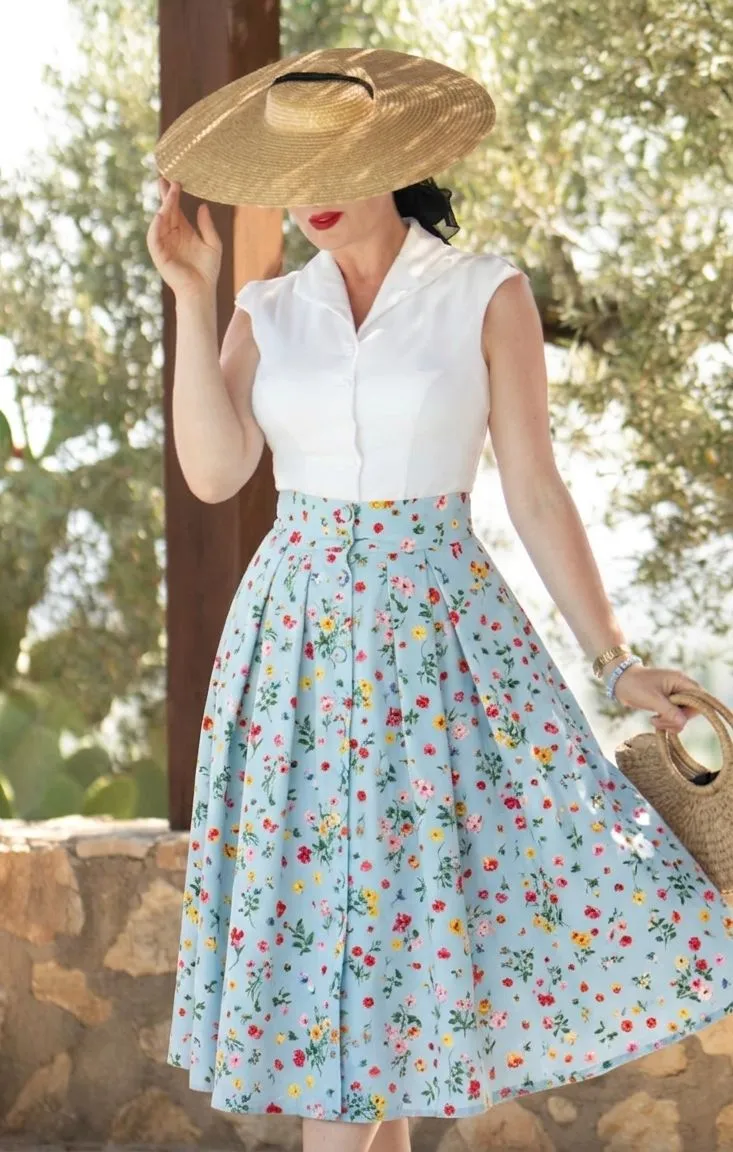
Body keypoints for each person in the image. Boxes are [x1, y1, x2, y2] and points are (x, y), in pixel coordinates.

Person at [147, 46, 733, 1152]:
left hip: (441, 647)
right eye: (291, 169)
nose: (310, 192)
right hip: (297, 652)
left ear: (397, 156)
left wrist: (614, 660)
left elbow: (536, 489)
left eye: (340, 160)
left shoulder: (481, 292)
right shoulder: (267, 309)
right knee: (344, 970)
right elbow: (218, 471)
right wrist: (191, 294)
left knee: (408, 969)